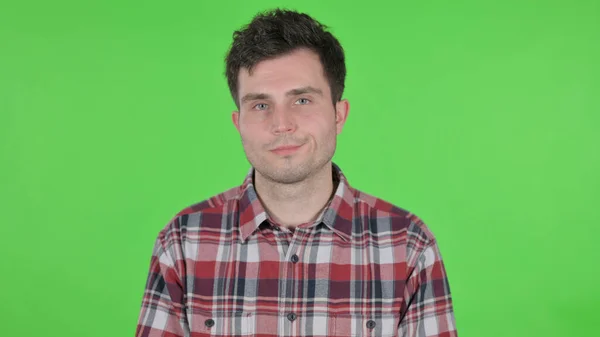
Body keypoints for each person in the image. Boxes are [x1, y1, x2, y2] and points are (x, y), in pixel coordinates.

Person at [136, 8, 458, 337]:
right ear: (239, 124)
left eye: (302, 100)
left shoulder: (408, 246)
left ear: (339, 115)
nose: (281, 124)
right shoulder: (182, 243)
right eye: (260, 105)